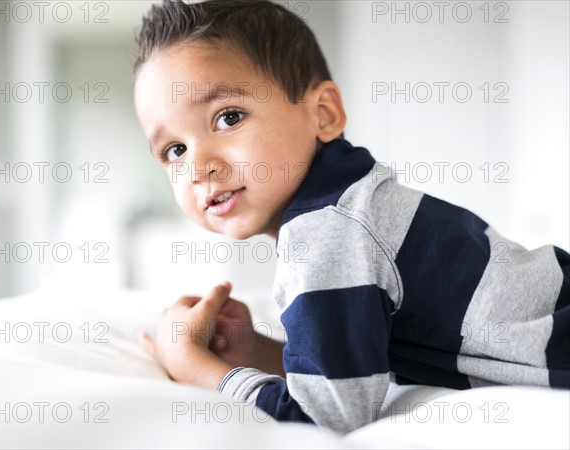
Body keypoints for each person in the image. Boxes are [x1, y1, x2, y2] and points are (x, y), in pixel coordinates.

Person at [133, 0, 570, 434]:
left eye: (228, 117)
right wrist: (254, 351)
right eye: (175, 150)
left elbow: (325, 417)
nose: (198, 166)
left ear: (323, 115)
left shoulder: (330, 228)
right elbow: (353, 369)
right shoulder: (351, 204)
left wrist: (198, 368)